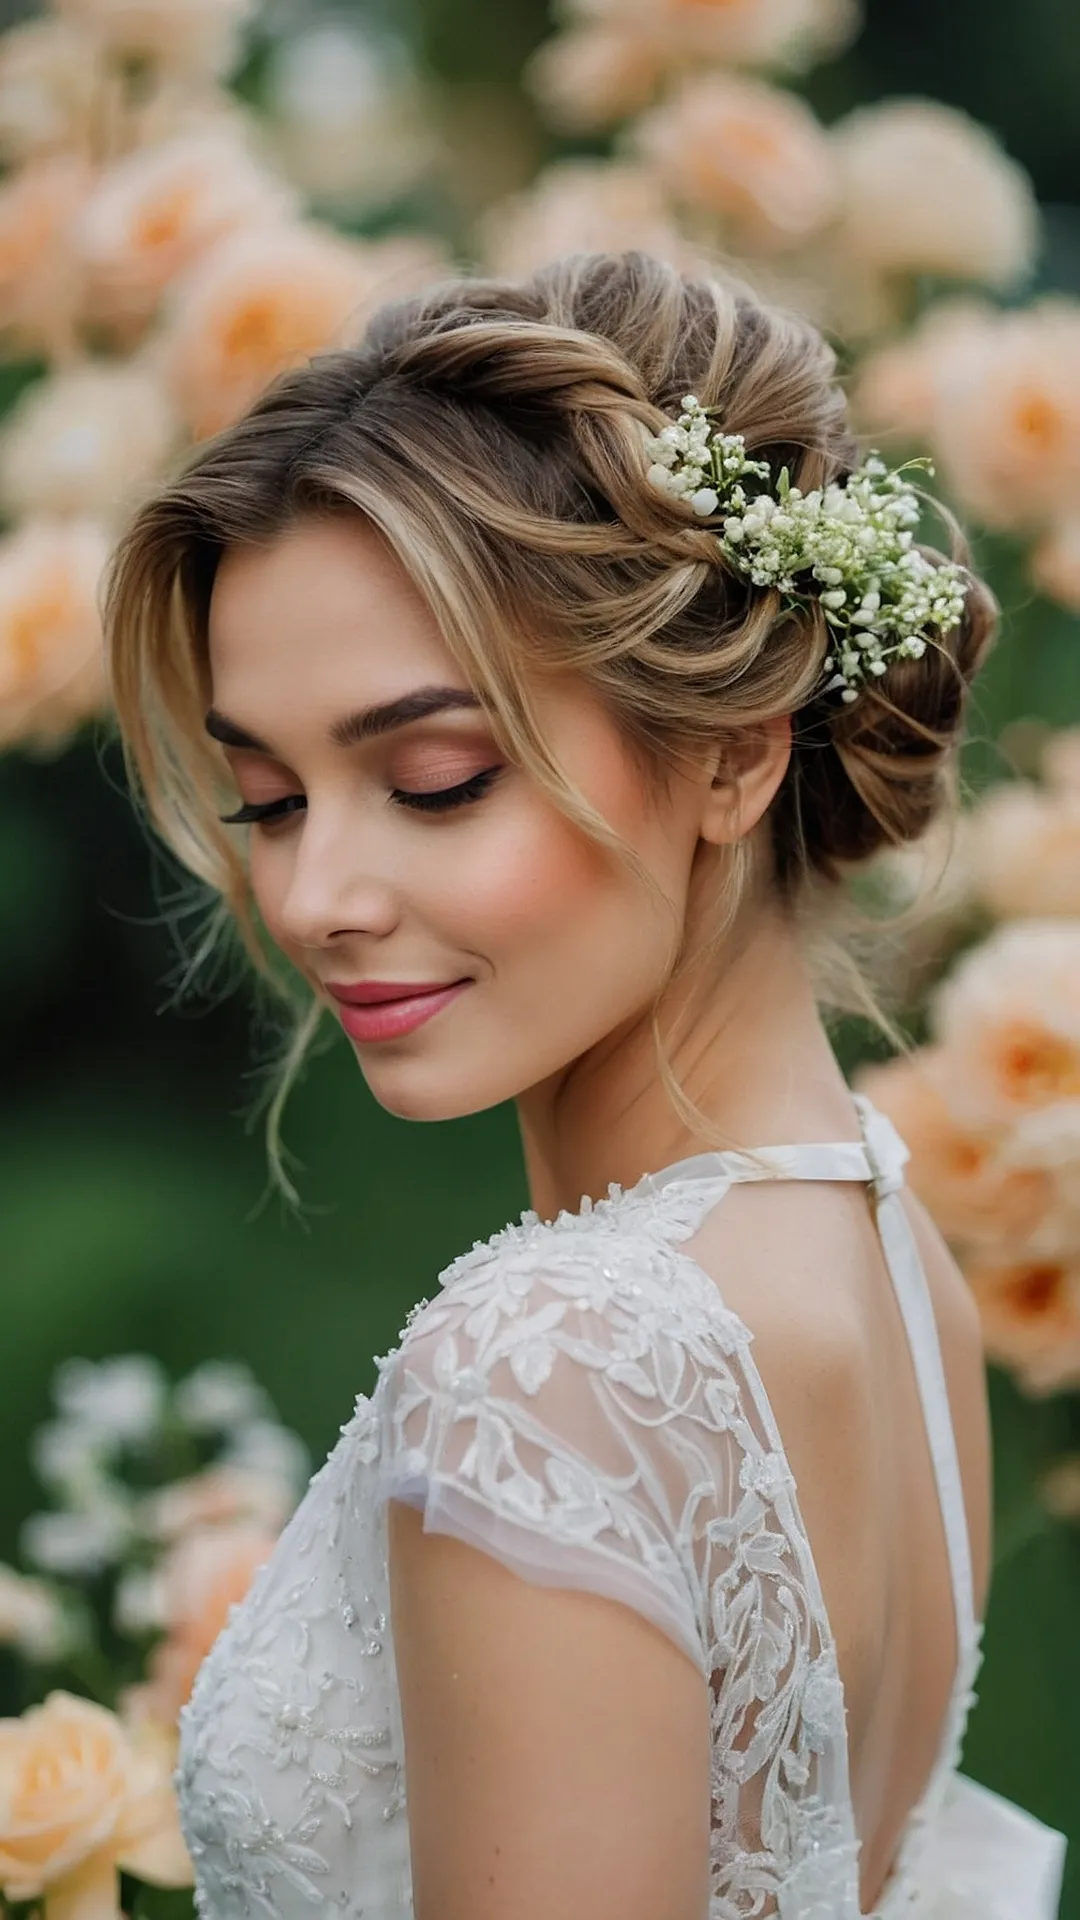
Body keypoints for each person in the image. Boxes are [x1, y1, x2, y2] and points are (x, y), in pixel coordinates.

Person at [104, 251, 1067, 1920]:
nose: (317, 892)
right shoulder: (893, 1255)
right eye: (267, 800)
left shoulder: (553, 1369)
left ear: (733, 754)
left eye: (436, 779)